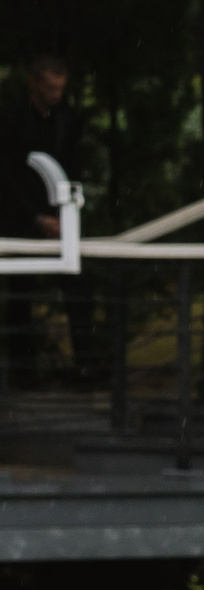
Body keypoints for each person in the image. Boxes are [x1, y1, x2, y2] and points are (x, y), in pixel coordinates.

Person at [0, 55, 82, 389]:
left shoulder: (67, 119)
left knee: (78, 286)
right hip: (22, 219)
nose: (57, 94)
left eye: (61, 88)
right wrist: (36, 218)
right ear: (34, 84)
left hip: (63, 218)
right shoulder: (11, 119)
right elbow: (7, 176)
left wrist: (65, 216)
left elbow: (74, 168)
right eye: (51, 87)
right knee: (21, 293)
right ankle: (24, 372)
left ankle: (85, 365)